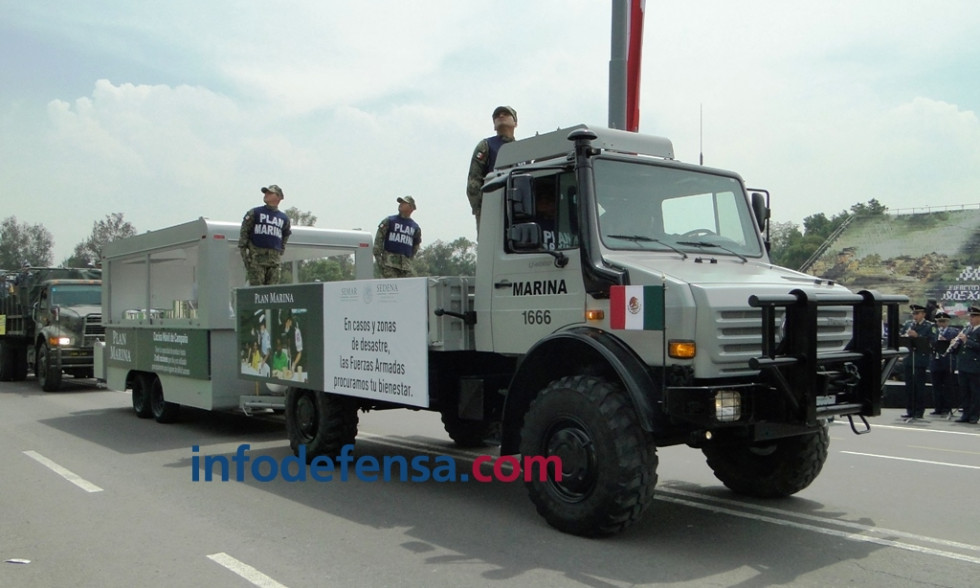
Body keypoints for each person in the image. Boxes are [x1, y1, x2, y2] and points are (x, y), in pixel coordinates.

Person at [466, 106, 518, 233]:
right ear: (494, 125)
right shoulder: (486, 145)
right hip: (492, 209)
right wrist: (481, 211)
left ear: (515, 122)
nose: (501, 116)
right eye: (497, 115)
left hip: (519, 210)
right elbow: (474, 182)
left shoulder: (523, 149)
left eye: (505, 113)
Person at [239, 184, 292, 285]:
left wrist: (281, 249)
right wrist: (245, 255)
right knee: (258, 291)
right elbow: (244, 232)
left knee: (272, 292)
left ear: (278, 197)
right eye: (265, 192)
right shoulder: (255, 213)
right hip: (257, 260)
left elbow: (285, 234)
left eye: (270, 193)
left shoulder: (284, 218)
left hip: (274, 262)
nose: (266, 194)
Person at [900, 303, 936, 419]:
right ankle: (910, 410)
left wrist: (918, 336)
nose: (914, 316)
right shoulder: (908, 324)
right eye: (913, 314)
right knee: (909, 386)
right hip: (909, 359)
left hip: (920, 359)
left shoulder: (929, 326)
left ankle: (919, 411)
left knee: (919, 387)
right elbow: (901, 338)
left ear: (923, 314)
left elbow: (933, 342)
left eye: (917, 313)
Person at [374, 196, 422, 278]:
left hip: (406, 267)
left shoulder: (415, 227)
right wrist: (380, 262)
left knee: (412, 286)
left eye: (404, 203)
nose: (401, 204)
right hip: (389, 265)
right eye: (400, 203)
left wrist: (409, 259)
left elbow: (416, 245)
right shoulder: (389, 221)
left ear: (411, 207)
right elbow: (378, 242)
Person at [928, 312, 959, 416]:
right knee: (936, 386)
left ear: (947, 322)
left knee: (948, 386)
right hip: (935, 361)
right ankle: (938, 407)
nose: (941, 324)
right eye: (939, 322)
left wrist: (946, 341)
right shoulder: (933, 331)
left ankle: (947, 408)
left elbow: (957, 346)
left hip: (947, 362)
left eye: (943, 321)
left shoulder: (954, 332)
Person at [955, 306, 980, 424]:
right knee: (964, 391)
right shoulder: (967, 329)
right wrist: (955, 344)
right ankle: (965, 414)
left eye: (974, 316)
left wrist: (967, 341)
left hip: (975, 366)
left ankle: (974, 415)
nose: (971, 318)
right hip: (963, 364)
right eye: (970, 316)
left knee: (975, 392)